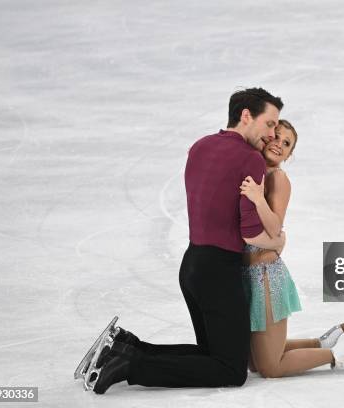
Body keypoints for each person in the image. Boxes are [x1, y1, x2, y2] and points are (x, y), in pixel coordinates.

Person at [83, 87, 290, 394]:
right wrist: (277, 242)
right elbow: (250, 231)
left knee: (214, 357)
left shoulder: (200, 146)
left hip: (192, 266)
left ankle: (126, 347)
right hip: (219, 271)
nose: (273, 135)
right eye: (270, 124)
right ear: (247, 116)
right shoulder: (250, 160)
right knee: (231, 370)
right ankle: (128, 366)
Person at [239, 120, 344, 377]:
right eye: (276, 137)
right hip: (247, 274)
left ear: (289, 154)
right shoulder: (253, 173)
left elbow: (275, 228)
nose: (279, 144)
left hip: (265, 276)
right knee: (255, 361)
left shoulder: (278, 178)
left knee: (270, 367)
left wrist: (257, 198)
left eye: (287, 144)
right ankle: (332, 338)